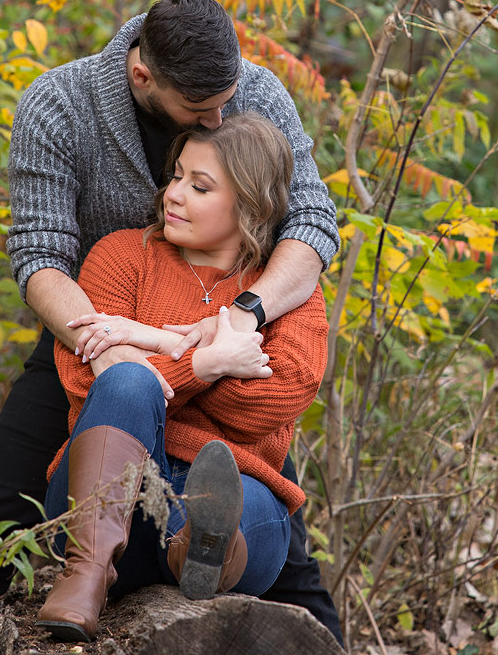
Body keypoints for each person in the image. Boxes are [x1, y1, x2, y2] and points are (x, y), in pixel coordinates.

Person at [0, 0, 342, 655]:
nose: (224, 116)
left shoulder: (254, 91)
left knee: (274, 543)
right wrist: (108, 349)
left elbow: (309, 221)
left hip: (240, 336)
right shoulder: (60, 104)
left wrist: (241, 320)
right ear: (143, 76)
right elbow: (42, 257)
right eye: (202, 112)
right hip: (93, 327)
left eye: (228, 100)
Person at [37, 113, 329, 641]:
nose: (174, 194)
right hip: (107, 490)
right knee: (127, 384)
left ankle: (196, 548)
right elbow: (90, 378)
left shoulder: (286, 289)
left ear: (251, 204)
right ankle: (86, 571)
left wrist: (150, 340)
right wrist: (202, 360)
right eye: (175, 176)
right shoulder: (122, 256)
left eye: (199, 186)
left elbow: (276, 397)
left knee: (245, 503)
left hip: (237, 500)